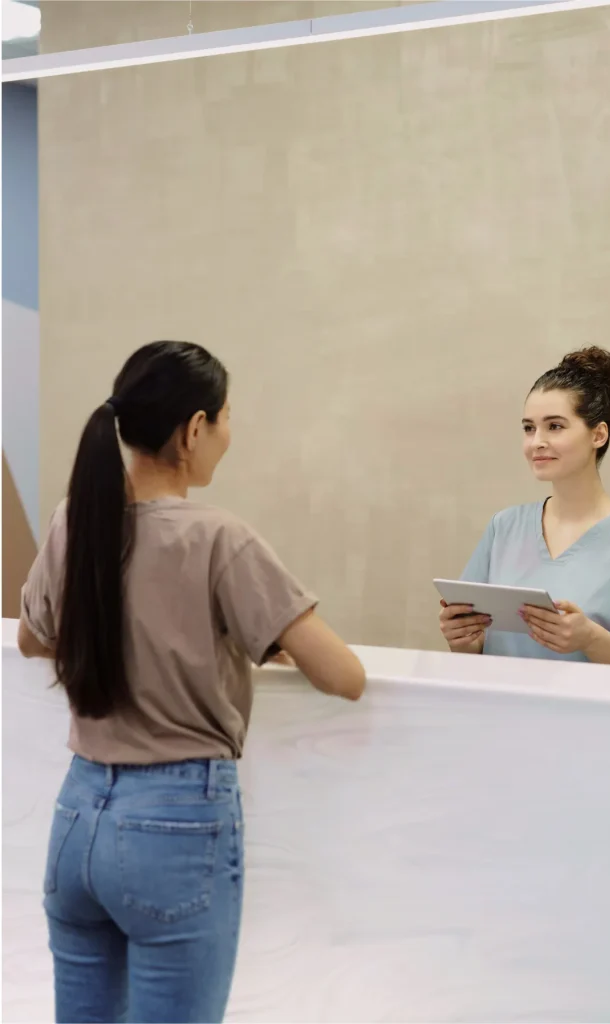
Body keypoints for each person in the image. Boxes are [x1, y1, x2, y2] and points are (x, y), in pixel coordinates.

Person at [18, 341, 365, 1024]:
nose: (228, 436)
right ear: (195, 428)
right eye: (227, 419)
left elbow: (34, 637)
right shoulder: (219, 537)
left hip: (77, 817)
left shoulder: (73, 522)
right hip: (174, 826)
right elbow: (343, 676)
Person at [439, 347, 610, 668]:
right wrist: (465, 641)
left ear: (598, 434)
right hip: (501, 715)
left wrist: (591, 639)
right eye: (528, 428)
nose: (537, 441)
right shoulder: (503, 528)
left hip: (591, 718)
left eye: (555, 426)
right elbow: (477, 651)